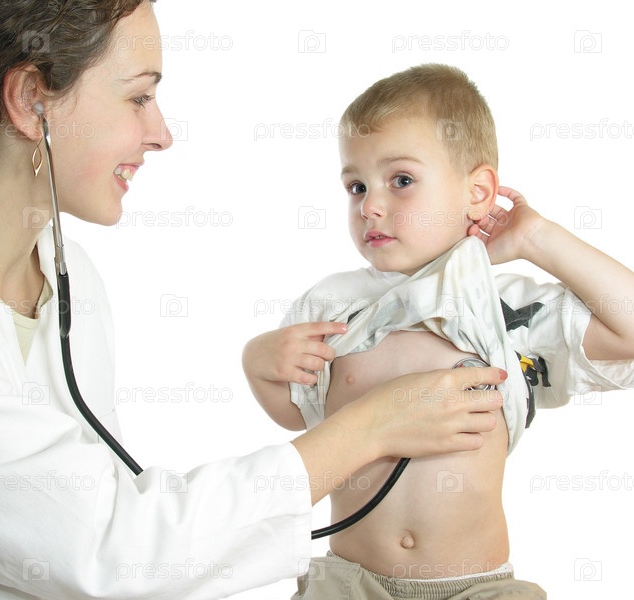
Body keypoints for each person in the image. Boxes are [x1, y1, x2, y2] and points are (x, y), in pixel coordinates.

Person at [0, 6, 508, 600]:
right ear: (32, 99)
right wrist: (371, 427)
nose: (161, 133)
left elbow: (103, 515)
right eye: (139, 97)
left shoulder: (68, 276)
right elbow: (107, 548)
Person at [242, 63, 634, 600]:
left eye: (401, 181)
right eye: (356, 186)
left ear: (478, 192)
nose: (370, 206)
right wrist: (258, 364)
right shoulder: (332, 304)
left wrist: (537, 238)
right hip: (347, 582)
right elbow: (298, 414)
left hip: (474, 588)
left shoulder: (503, 308)